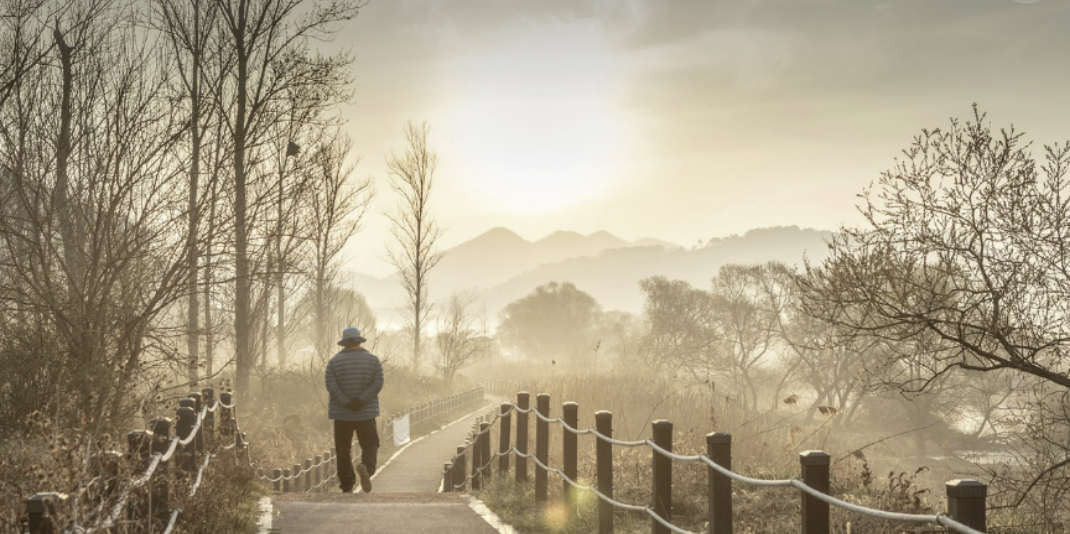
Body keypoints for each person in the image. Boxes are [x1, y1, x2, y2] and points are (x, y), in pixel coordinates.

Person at [325, 327, 384, 493]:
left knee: (343, 449)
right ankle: (366, 468)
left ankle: (347, 484)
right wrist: (361, 400)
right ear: (359, 341)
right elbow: (378, 383)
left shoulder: (333, 363)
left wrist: (347, 402)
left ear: (344, 343)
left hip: (342, 413)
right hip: (366, 412)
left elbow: (331, 386)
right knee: (371, 443)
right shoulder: (373, 360)